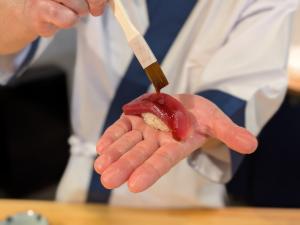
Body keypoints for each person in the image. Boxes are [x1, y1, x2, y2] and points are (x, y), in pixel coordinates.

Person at [0, 0, 298, 208]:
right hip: (79, 186)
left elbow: (241, 98)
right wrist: (26, 12)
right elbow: (8, 43)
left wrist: (199, 121)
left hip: (181, 200)